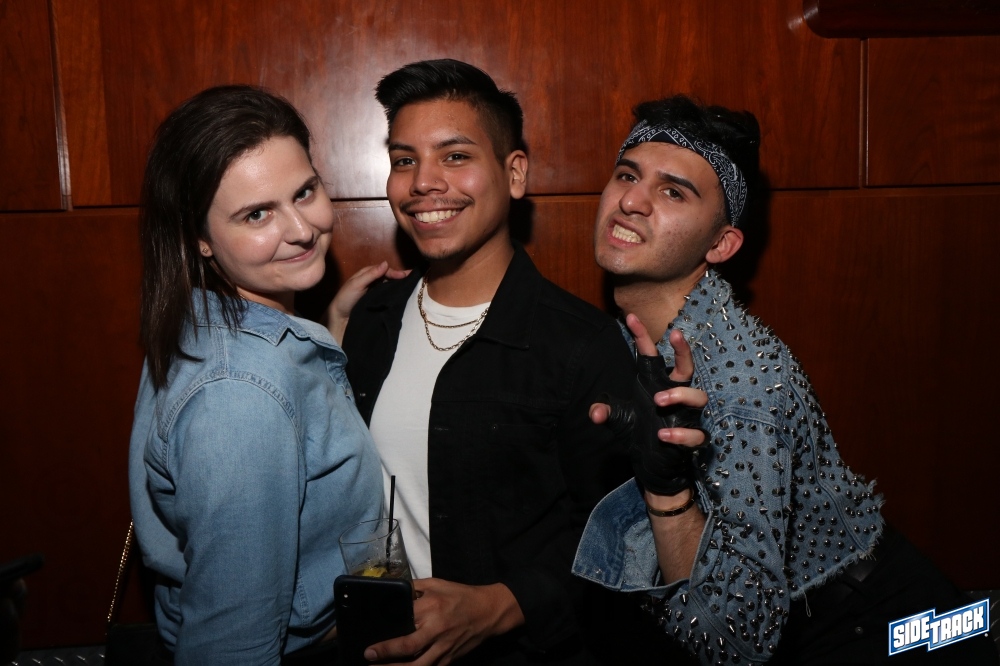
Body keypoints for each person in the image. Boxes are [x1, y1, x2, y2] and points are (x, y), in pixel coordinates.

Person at [572, 95, 999, 665]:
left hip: (876, 628)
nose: (631, 201)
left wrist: (667, 490)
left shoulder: (742, 381)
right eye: (627, 175)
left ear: (721, 244)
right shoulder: (638, 336)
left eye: (673, 192)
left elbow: (735, 640)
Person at [340, 59, 639, 665]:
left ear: (515, 172)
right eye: (404, 160)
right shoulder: (370, 321)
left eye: (455, 156)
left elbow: (626, 540)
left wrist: (500, 605)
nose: (423, 182)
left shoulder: (581, 344)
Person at [128, 85, 385, 665]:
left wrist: (326, 331)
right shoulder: (239, 396)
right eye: (257, 214)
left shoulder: (198, 321)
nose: (301, 229)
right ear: (199, 239)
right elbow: (232, 647)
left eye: (305, 192)